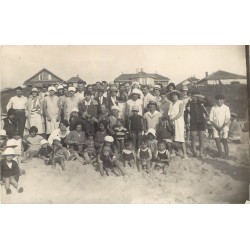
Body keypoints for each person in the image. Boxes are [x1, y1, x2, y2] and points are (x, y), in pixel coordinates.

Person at [186, 92, 208, 158]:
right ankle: (194, 152)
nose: (195, 98)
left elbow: (210, 103)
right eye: (193, 96)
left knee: (201, 138)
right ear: (191, 97)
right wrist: (186, 123)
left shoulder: (201, 103)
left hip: (201, 122)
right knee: (193, 137)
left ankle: (201, 153)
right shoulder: (189, 104)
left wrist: (201, 96)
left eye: (196, 96)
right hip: (193, 123)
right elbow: (185, 114)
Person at [209, 94, 231, 159]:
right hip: (215, 127)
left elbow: (227, 119)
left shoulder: (226, 108)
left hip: (224, 127)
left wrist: (221, 128)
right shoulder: (213, 108)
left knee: (225, 141)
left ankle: (226, 155)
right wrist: (217, 128)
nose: (219, 101)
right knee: (217, 141)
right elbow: (211, 119)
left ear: (223, 100)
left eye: (221, 99)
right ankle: (220, 154)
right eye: (217, 99)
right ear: (216, 100)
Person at [168, 90, 187, 159]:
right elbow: (170, 113)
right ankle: (173, 152)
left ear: (177, 96)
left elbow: (180, 113)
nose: (173, 96)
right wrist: (170, 120)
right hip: (172, 121)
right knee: (173, 137)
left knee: (180, 137)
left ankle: (185, 154)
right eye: (172, 95)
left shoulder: (180, 102)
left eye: (175, 95)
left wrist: (173, 119)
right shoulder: (171, 104)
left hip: (178, 121)